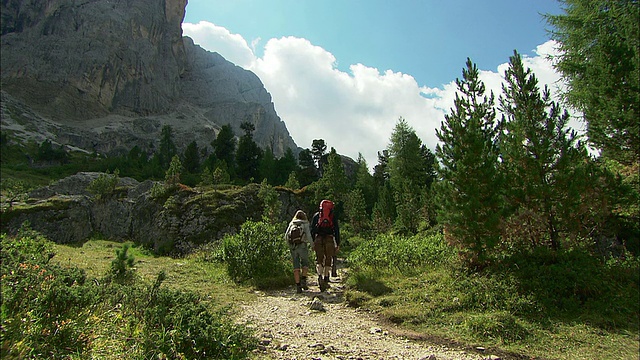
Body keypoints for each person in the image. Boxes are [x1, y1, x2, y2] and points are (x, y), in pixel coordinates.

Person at [310, 200, 340, 292]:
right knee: (328, 258)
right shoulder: (333, 217)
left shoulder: (316, 216)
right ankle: (326, 278)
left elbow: (312, 230)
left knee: (319, 259)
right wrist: (338, 243)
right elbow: (337, 230)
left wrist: (312, 242)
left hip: (318, 239)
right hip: (329, 239)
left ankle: (319, 276)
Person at [284, 210, 313, 293]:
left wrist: (290, 246)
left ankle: (298, 286)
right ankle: (303, 280)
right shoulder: (305, 224)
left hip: (293, 247)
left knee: (296, 266)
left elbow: (286, 236)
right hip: (302, 246)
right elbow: (309, 236)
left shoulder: (292, 223)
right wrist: (312, 245)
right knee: (305, 263)